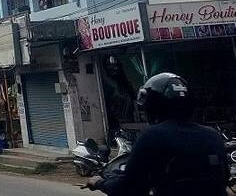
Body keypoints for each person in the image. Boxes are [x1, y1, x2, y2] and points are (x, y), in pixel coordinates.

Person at [87, 72, 228, 196]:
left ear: (153, 105)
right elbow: (223, 178)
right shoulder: (213, 136)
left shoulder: (152, 137)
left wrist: (100, 183)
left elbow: (128, 188)